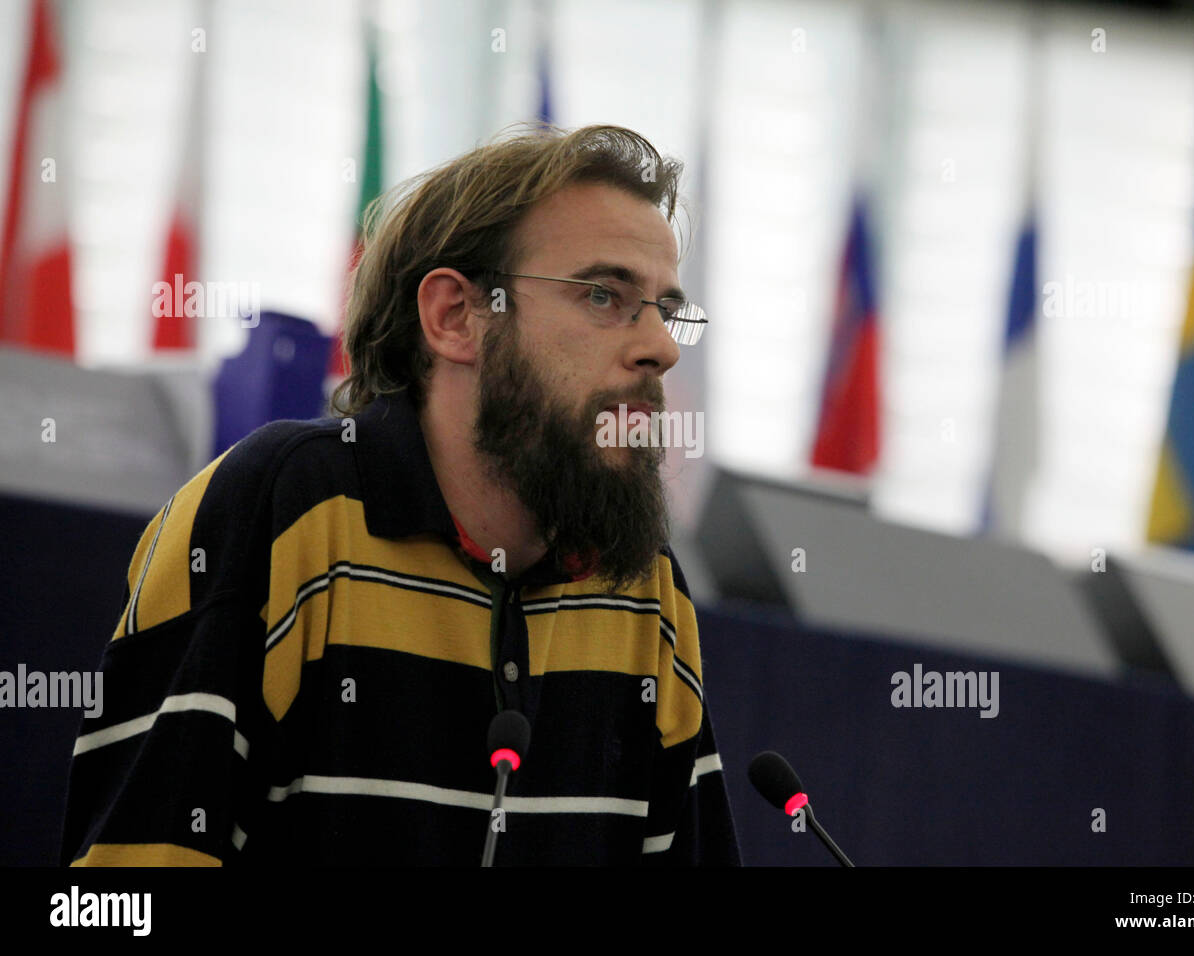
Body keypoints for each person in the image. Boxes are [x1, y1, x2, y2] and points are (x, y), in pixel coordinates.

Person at [61, 123, 741, 866]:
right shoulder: (281, 513)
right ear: (456, 318)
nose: (663, 348)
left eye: (666, 309)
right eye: (605, 295)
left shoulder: (643, 587)